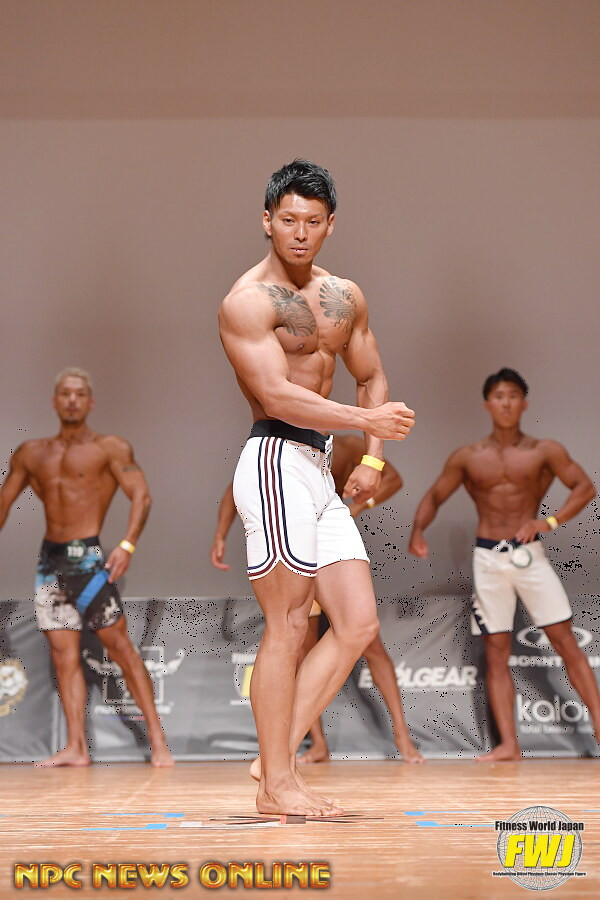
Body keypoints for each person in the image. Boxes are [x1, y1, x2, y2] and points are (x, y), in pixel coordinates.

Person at [218, 159, 415, 815]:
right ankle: (278, 783)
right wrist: (366, 423)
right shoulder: (247, 302)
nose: (299, 233)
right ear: (266, 221)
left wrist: (373, 460)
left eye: (312, 221)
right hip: (275, 460)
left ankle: (272, 761)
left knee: (357, 622)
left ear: (331, 225)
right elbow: (277, 394)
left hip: (319, 466)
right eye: (288, 220)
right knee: (288, 624)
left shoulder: (344, 296)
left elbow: (371, 375)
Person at [408, 367, 598, 761]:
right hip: (488, 559)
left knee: (565, 641)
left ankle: (599, 724)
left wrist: (549, 521)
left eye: (513, 395)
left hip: (529, 556)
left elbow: (585, 487)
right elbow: (436, 495)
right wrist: (418, 530)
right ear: (487, 405)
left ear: (524, 403)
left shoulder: (545, 450)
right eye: (498, 396)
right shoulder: (468, 456)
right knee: (496, 652)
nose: (506, 403)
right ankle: (509, 744)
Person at [211, 433, 423, 764]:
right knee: (298, 646)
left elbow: (392, 478)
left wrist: (357, 507)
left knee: (368, 639)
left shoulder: (347, 445)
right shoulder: (276, 449)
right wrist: (220, 535)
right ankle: (312, 744)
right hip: (299, 547)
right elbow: (232, 490)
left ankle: (403, 737)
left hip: (330, 547)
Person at [0, 368, 173, 767]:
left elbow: (142, 496)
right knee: (64, 657)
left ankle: (158, 740)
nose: (72, 400)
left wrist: (127, 544)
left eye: (79, 394)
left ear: (90, 402)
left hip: (91, 562)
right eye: (65, 393)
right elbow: (4, 504)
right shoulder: (31, 453)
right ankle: (76, 747)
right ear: (55, 401)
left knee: (122, 649)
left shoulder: (109, 448)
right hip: (51, 564)